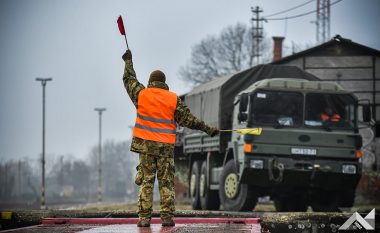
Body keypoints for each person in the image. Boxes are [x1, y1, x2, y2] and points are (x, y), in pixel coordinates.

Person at [122, 50, 218, 227]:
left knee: (146, 182)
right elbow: (189, 120)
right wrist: (207, 129)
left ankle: (144, 218)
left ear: (151, 82)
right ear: (164, 83)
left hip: (146, 148)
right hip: (165, 148)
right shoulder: (172, 99)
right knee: (166, 183)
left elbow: (129, 81)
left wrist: (128, 61)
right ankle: (166, 217)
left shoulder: (142, 94)